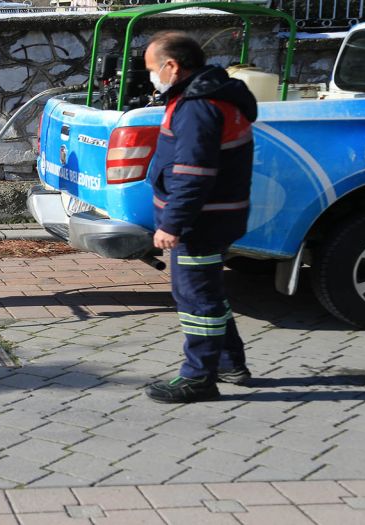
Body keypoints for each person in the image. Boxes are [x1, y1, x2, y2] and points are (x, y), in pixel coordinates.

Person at [142, 32, 258, 403]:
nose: (151, 77)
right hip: (216, 217)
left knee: (196, 298)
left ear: (171, 66)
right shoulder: (213, 96)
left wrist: (172, 225)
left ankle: (199, 378)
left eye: (151, 69)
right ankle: (228, 362)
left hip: (201, 222)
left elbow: (194, 173)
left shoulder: (196, 106)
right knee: (207, 291)